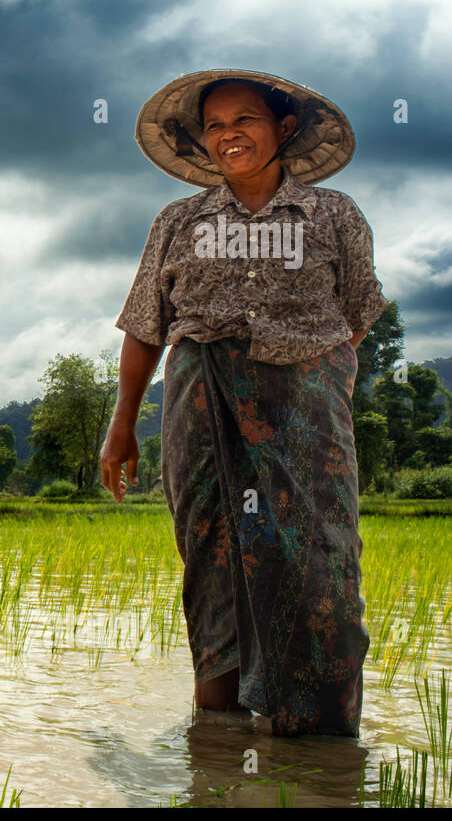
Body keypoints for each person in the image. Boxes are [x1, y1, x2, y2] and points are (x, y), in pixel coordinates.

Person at [101, 69, 387, 737]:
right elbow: (146, 325)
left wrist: (304, 373)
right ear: (202, 141)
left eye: (245, 120)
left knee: (321, 559)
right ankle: (219, 735)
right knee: (213, 554)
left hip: (303, 410)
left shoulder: (336, 214)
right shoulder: (178, 221)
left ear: (283, 128)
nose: (229, 135)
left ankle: (319, 738)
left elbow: (356, 315)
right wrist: (122, 427)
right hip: (201, 398)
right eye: (216, 125)